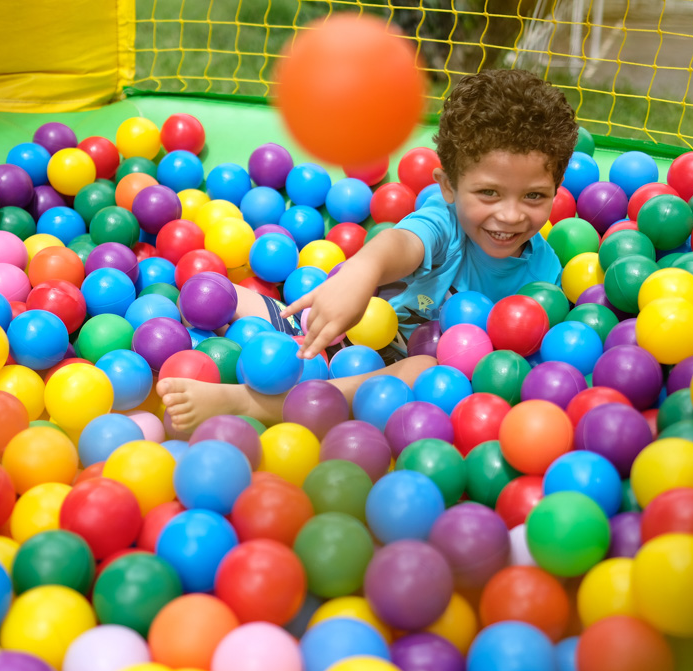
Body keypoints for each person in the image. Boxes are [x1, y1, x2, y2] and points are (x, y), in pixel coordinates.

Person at [159, 69, 578, 431]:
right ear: (448, 186)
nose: (509, 215)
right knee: (209, 290)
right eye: (488, 193)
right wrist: (362, 272)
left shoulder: (543, 277)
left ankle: (250, 403)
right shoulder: (445, 222)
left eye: (534, 197)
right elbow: (402, 242)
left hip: (389, 378)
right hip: (331, 329)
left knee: (427, 368)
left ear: (556, 191)